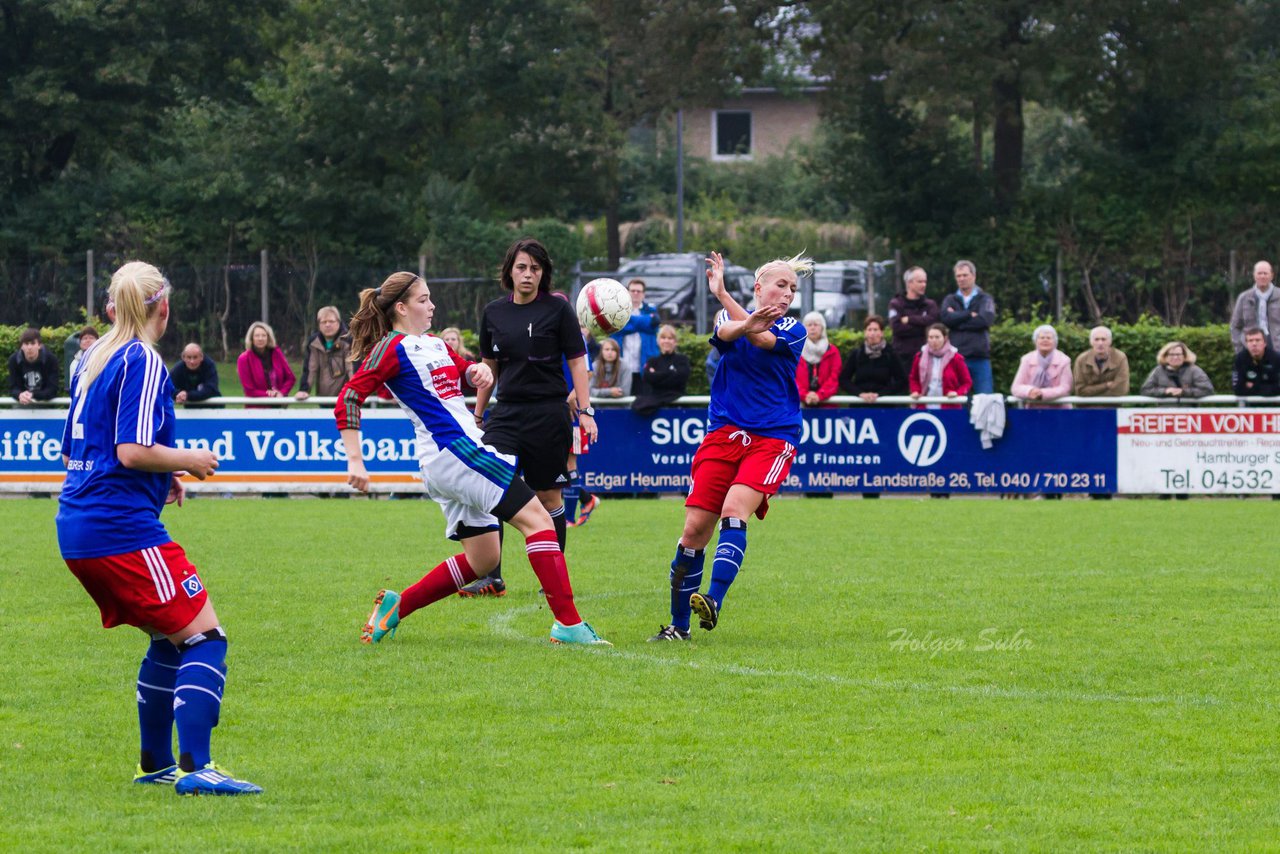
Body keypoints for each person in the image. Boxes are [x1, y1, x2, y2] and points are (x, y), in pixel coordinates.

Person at [55, 261, 261, 795]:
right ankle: (198, 769)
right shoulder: (142, 359)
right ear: (162, 306)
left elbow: (80, 447)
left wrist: (163, 473)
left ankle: (155, 763)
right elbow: (130, 450)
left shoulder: (88, 357)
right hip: (119, 530)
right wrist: (187, 458)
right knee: (205, 637)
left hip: (77, 525)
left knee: (168, 638)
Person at [336, 271, 608, 645]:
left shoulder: (433, 344)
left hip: (452, 456)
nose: (432, 305)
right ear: (400, 307)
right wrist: (355, 461)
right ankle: (569, 625)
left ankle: (397, 607)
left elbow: (467, 374)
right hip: (456, 451)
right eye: (423, 300)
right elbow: (349, 396)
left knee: (482, 559)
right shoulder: (391, 348)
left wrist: (477, 371)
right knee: (540, 520)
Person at [649, 251, 810, 642]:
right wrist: (731, 307)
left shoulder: (794, 329)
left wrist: (722, 294)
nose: (787, 293)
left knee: (735, 510)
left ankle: (714, 599)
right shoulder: (726, 318)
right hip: (724, 434)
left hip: (772, 438)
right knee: (693, 532)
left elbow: (761, 337)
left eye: (792, 288)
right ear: (758, 287)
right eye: (781, 284)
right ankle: (678, 628)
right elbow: (728, 334)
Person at [465, 238, 596, 597]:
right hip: (505, 413)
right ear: (509, 270)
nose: (528, 274)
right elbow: (489, 367)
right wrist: (478, 413)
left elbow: (576, 361)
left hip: (548, 414)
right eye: (521, 267)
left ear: (544, 273)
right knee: (489, 488)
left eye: (535, 269)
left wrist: (585, 411)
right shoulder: (494, 312)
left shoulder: (557, 309)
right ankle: (492, 576)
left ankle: (551, 579)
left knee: (549, 496)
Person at [940, 260, 996, 394]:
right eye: (958, 276)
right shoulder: (950, 299)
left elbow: (984, 320)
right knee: (956, 401)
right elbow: (946, 319)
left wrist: (957, 319)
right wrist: (969, 314)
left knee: (985, 400)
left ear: (974, 276)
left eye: (965, 275)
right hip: (956, 358)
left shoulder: (985, 298)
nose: (961, 279)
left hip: (979, 358)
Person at [839, 314, 908, 401]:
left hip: (884, 407)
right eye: (869, 330)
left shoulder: (891, 354)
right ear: (865, 332)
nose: (872, 333)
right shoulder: (856, 354)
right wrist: (859, 393)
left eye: (875, 330)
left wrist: (880, 395)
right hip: (859, 406)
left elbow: (902, 381)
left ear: (882, 333)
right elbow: (844, 379)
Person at [887, 266, 939, 374]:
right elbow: (897, 329)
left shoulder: (930, 304)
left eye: (925, 281)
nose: (924, 285)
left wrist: (910, 319)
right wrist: (922, 324)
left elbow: (933, 323)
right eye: (920, 281)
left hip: (925, 356)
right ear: (909, 283)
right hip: (902, 357)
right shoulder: (895, 304)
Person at [611, 278, 660, 392]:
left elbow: (654, 325)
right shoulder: (618, 311)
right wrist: (644, 323)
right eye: (632, 290)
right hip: (622, 367)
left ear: (644, 294)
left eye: (639, 291)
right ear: (627, 292)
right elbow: (616, 329)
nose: (635, 293)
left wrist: (628, 323)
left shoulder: (651, 310)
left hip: (645, 366)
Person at [295, 306, 352, 400]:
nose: (327, 325)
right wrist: (304, 390)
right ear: (319, 325)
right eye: (324, 322)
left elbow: (352, 368)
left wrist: (356, 391)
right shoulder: (313, 342)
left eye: (331, 321)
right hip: (323, 398)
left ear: (338, 322)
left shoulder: (349, 340)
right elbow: (310, 368)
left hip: (347, 398)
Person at [632, 324, 691, 416]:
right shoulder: (652, 361)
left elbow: (681, 378)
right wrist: (671, 373)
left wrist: (656, 375)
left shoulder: (682, 359)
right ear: (658, 341)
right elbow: (647, 377)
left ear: (675, 341)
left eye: (670, 338)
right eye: (663, 338)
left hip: (677, 407)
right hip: (653, 408)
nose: (666, 341)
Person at [909, 323, 971, 409]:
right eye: (931, 337)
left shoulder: (956, 358)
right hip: (924, 404)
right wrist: (916, 390)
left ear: (945, 338)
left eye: (937, 337)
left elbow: (967, 382)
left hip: (949, 405)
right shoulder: (919, 356)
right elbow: (913, 378)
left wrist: (957, 393)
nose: (934, 340)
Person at [1011, 325, 1073, 406]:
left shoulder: (1064, 360)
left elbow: (1066, 388)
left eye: (1049, 338)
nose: (1045, 340)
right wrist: (1030, 391)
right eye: (1042, 337)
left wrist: (1042, 393)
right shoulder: (1026, 359)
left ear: (1055, 342)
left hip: (1059, 409)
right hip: (1033, 409)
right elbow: (1016, 387)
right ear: (1035, 341)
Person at [236, 321, 295, 402]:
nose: (260, 338)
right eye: (257, 336)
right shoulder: (244, 359)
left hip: (279, 406)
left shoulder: (276, 353)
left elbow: (290, 378)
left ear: (268, 338)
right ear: (251, 338)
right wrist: (271, 395)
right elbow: (249, 390)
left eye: (264, 335)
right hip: (256, 408)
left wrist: (281, 393)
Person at [1229, 260, 1280, 353]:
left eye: (1265, 273)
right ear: (1254, 275)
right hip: (1250, 349)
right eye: (1259, 273)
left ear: (1272, 275)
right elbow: (1235, 326)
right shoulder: (1244, 298)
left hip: (1276, 349)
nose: (1262, 276)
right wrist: (1239, 348)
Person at [794, 311, 842, 407]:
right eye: (809, 325)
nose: (812, 328)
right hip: (800, 406)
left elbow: (835, 377)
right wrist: (804, 395)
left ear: (822, 328)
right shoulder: (797, 350)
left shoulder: (832, 351)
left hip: (827, 406)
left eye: (816, 324)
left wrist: (819, 395)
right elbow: (791, 377)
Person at [1140, 341, 1214, 399]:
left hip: (1190, 414)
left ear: (1184, 356)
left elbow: (1207, 390)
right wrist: (1165, 391)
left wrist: (1184, 392)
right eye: (1171, 354)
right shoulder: (1158, 371)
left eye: (1178, 354)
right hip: (1165, 415)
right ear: (1165, 356)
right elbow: (1145, 390)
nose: (1175, 357)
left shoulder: (1195, 370)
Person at [1072, 326, 1130, 397]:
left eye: (1103, 339)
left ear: (1110, 341)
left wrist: (1091, 391)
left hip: (1111, 405)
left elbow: (1120, 390)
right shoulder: (1081, 359)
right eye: (1096, 339)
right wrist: (1106, 385)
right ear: (1091, 342)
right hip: (1087, 406)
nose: (1100, 343)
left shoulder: (1120, 357)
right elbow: (1080, 391)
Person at [8, 327, 60, 403]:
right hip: (21, 403)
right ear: (21, 346)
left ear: (39, 345)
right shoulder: (14, 360)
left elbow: (52, 389)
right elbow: (13, 387)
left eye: (33, 343)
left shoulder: (51, 359)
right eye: (26, 344)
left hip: (45, 404)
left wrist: (33, 395)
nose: (29, 347)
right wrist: (19, 394)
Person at [1232, 327, 1280, 397]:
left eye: (1258, 340)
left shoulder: (1276, 358)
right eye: (1250, 341)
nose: (1254, 344)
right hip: (1249, 406)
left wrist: (1253, 386)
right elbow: (1238, 389)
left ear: (1265, 343)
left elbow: (1278, 387)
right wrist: (1266, 387)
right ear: (1246, 344)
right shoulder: (1240, 359)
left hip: (1273, 405)